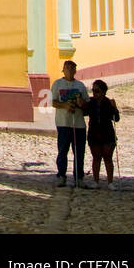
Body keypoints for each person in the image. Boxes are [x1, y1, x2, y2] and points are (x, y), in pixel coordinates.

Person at [50, 59, 88, 187]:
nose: (70, 70)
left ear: (75, 70)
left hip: (78, 124)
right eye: (67, 68)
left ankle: (79, 177)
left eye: (72, 68)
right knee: (62, 151)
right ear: (63, 70)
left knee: (79, 152)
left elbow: (86, 104)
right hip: (63, 123)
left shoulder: (80, 86)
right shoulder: (57, 84)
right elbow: (52, 101)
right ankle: (61, 175)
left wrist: (81, 103)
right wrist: (64, 105)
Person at [81, 80, 120, 188]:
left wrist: (114, 108)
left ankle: (110, 182)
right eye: (93, 90)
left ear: (103, 92)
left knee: (108, 158)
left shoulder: (108, 102)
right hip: (94, 134)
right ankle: (96, 181)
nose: (94, 93)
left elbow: (116, 118)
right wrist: (81, 104)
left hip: (107, 134)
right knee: (96, 157)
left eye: (97, 91)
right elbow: (84, 113)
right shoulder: (91, 102)